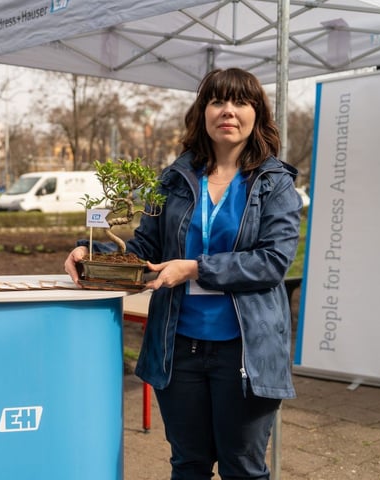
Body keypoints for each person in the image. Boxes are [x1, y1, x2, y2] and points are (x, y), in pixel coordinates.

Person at [64, 67, 302, 480]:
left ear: (257, 113)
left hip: (244, 352)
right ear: (203, 111)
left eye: (240, 101)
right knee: (188, 465)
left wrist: (194, 269)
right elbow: (144, 249)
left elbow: (273, 261)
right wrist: (93, 251)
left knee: (242, 468)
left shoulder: (273, 183)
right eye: (217, 100)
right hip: (180, 347)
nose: (228, 111)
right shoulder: (173, 179)